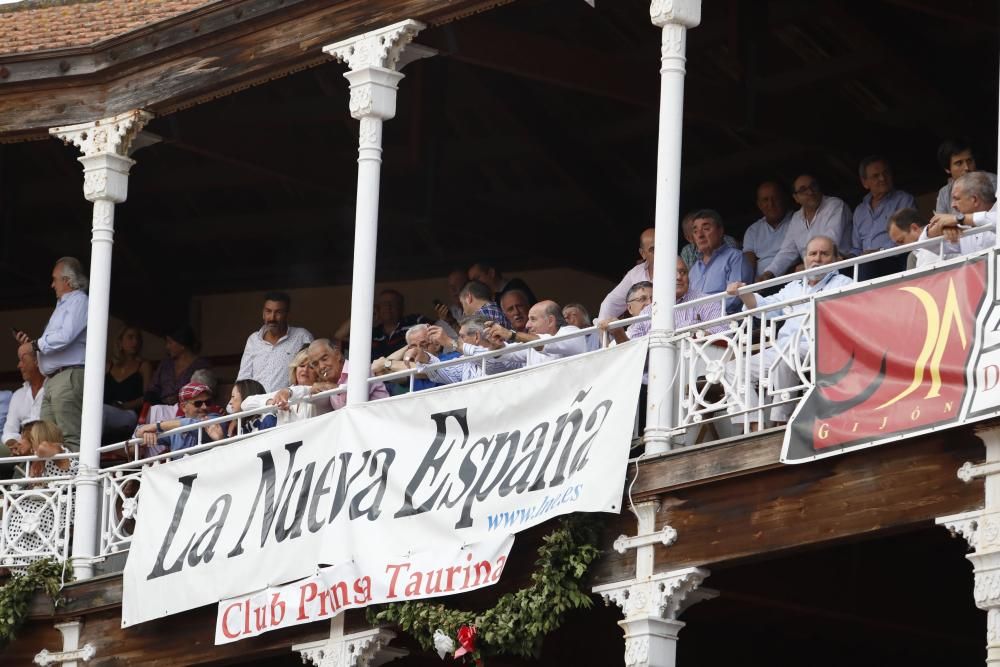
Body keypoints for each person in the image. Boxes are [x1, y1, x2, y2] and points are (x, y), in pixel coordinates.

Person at [724, 235, 853, 429]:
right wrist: (744, 293)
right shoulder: (795, 286)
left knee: (786, 357)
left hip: (819, 348)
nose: (817, 259)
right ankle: (752, 428)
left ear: (836, 260)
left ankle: (780, 423)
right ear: (805, 259)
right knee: (732, 368)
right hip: (782, 348)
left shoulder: (844, 283)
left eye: (824, 254)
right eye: (812, 254)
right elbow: (766, 308)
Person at [15, 257, 88, 451]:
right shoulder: (63, 305)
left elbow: (65, 336)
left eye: (55, 279)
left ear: (67, 280)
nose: (52, 284)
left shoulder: (79, 300)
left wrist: (35, 346)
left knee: (69, 437)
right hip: (54, 379)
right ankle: (49, 482)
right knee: (45, 439)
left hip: (68, 376)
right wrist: (33, 345)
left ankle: (75, 481)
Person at [6, 420, 77, 573]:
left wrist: (34, 452)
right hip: (32, 527)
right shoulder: (32, 464)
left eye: (23, 438)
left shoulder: (59, 455)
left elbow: (46, 448)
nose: (19, 442)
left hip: (55, 523)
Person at [759, 175, 853, 280]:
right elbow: (787, 251)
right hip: (810, 274)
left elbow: (829, 244)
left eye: (813, 186)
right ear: (796, 198)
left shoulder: (835, 205)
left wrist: (810, 265)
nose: (810, 192)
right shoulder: (796, 218)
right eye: (803, 190)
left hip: (840, 268)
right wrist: (769, 272)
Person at [271, 339, 389, 414]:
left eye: (324, 358)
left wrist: (334, 387)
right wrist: (288, 391)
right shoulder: (327, 384)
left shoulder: (358, 368)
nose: (321, 366)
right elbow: (308, 391)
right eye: (315, 364)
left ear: (337, 354)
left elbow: (355, 399)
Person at [850, 156, 916, 279]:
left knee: (867, 264)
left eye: (885, 173)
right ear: (865, 182)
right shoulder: (859, 211)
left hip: (895, 260)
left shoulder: (903, 200)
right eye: (875, 176)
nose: (882, 178)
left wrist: (880, 252)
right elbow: (856, 248)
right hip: (866, 265)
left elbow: (909, 237)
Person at [237, 291, 313, 393]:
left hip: (288, 403)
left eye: (278, 312)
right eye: (268, 311)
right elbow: (243, 377)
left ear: (287, 315)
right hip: (259, 404)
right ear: (263, 313)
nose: (272, 318)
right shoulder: (253, 340)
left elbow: (313, 371)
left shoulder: (302, 336)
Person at [481, 300, 588, 372]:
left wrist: (510, 335)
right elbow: (507, 353)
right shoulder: (533, 343)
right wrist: (495, 344)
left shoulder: (572, 333)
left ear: (550, 321)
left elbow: (548, 344)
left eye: (533, 319)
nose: (527, 325)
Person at [687, 209, 753, 313]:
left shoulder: (735, 257)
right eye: (695, 231)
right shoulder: (694, 270)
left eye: (706, 228)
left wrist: (706, 315)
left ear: (720, 231)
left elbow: (736, 298)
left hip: (727, 322)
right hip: (696, 324)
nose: (700, 235)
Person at [134, 382, 223, 455]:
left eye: (208, 402)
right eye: (198, 403)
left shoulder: (216, 417)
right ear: (183, 407)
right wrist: (145, 432)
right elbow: (138, 432)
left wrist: (156, 426)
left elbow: (192, 424)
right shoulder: (175, 423)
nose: (204, 407)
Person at [925, 171, 997, 258]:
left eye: (957, 199)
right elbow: (931, 247)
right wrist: (937, 229)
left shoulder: (994, 214)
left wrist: (959, 219)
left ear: (974, 200)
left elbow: (995, 220)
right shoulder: (962, 228)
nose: (952, 205)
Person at [371, 323, 459, 392]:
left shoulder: (452, 358)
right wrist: (408, 347)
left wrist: (387, 363)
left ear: (436, 345)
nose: (418, 351)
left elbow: (425, 370)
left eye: (423, 345)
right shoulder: (409, 369)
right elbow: (377, 370)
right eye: (413, 347)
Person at [241, 348, 317, 425]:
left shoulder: (319, 392)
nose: (305, 370)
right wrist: (272, 403)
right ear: (295, 369)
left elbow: (307, 390)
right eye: (302, 365)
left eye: (311, 367)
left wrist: (289, 392)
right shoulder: (284, 393)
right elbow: (245, 404)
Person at [599, 228, 655, 322]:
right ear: (642, 253)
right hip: (642, 330)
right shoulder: (636, 273)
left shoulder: (677, 266)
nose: (659, 252)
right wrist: (604, 332)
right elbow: (611, 303)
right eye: (652, 250)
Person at [2, 347, 46, 466]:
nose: (19, 365)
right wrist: (14, 444)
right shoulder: (18, 394)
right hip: (23, 450)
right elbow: (9, 431)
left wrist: (31, 444)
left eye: (23, 360)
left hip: (48, 449)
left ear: (37, 361)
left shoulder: (53, 389)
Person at [146, 325, 211, 405]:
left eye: (170, 342)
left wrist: (178, 398)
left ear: (182, 344)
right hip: (161, 409)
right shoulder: (166, 364)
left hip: (187, 410)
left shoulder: (200, 365)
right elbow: (153, 388)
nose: (167, 346)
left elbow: (202, 393)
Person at [415, 318, 492, 385]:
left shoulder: (500, 353)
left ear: (476, 337)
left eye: (462, 336)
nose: (459, 340)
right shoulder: (465, 360)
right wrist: (425, 357)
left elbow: (488, 359)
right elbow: (442, 373)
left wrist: (450, 342)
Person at [744, 181, 791, 280]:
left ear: (784, 198)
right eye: (765, 200)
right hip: (762, 285)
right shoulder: (753, 230)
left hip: (791, 279)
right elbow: (748, 264)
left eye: (775, 198)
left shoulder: (797, 219)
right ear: (759, 205)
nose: (771, 204)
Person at [935, 139, 998, 213]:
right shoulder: (944, 193)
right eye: (959, 163)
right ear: (947, 169)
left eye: (969, 161)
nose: (966, 167)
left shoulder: (993, 182)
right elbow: (941, 221)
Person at [369, 289, 431, 361]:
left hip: (410, 369)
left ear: (401, 307)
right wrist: (370, 319)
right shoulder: (372, 333)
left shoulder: (415, 321)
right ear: (378, 308)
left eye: (392, 303)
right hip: (377, 371)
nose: (388, 307)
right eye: (384, 304)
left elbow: (436, 334)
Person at [468, 260, 536, 305]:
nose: (475, 284)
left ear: (491, 273)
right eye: (472, 281)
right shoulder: (486, 297)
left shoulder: (515, 286)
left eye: (477, 278)